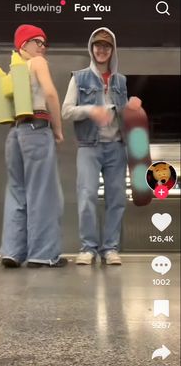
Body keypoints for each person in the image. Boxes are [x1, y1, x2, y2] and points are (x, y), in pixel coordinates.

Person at [62, 27, 142, 265]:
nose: (101, 50)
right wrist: (91, 110)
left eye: (106, 46)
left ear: (112, 50)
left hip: (117, 147)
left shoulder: (121, 80)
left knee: (116, 199)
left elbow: (123, 114)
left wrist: (132, 107)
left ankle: (110, 248)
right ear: (91, 47)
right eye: (97, 45)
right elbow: (66, 111)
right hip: (89, 146)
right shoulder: (78, 78)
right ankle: (88, 248)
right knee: (86, 196)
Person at [0, 24, 67, 268]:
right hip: (37, 129)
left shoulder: (12, 71)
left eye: (44, 43)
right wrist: (58, 129)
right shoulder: (37, 63)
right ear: (23, 45)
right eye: (37, 42)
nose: (42, 47)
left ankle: (12, 251)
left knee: (16, 193)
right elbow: (50, 94)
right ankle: (43, 255)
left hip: (14, 134)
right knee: (43, 194)